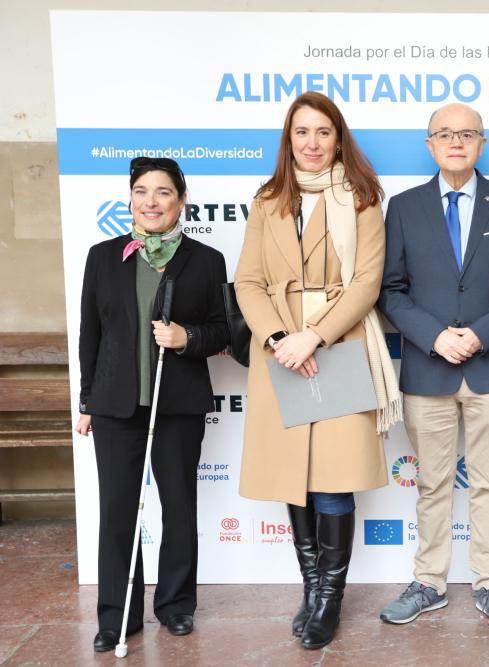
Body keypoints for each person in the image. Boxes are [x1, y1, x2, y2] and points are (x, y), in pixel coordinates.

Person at [234, 91, 400, 650]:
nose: (311, 143)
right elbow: (248, 282)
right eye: (301, 132)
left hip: (338, 345)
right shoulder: (267, 200)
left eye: (322, 132)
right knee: (294, 477)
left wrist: (314, 335)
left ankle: (330, 596)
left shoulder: (362, 198)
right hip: (279, 350)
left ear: (338, 138)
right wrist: (281, 338)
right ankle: (311, 587)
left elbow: (366, 284)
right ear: (289, 139)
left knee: (332, 479)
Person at [378, 103, 489, 630]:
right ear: (429, 145)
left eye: (467, 134)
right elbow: (391, 289)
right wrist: (434, 337)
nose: (456, 142)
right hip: (429, 369)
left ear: (481, 143)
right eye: (445, 134)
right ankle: (429, 582)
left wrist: (479, 334)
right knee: (432, 484)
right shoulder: (404, 208)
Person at [75, 156, 229, 652]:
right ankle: (117, 615)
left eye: (163, 192)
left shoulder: (205, 260)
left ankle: (176, 606)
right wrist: (86, 400)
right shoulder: (103, 256)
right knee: (117, 510)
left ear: (180, 201)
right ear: (129, 201)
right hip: (117, 406)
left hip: (176, 404)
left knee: (178, 506)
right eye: (142, 191)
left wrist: (186, 337)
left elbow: (224, 330)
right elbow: (90, 335)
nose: (151, 201)